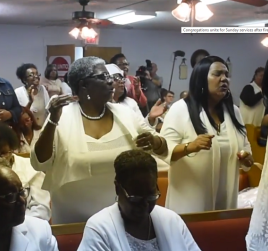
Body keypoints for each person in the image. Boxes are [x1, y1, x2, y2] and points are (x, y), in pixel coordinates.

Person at [31, 56, 171, 224]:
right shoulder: (62, 115)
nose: (111, 82)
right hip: (74, 218)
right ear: (83, 85)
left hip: (121, 217)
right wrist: (53, 121)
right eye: (103, 77)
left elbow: (163, 148)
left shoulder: (125, 114)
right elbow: (39, 162)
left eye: (110, 76)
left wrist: (155, 142)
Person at [160, 56, 254, 214]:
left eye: (226, 74)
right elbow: (163, 151)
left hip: (225, 202)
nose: (224, 79)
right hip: (189, 202)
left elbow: (247, 152)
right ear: (201, 79)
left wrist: (246, 158)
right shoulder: (181, 109)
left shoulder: (234, 112)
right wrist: (190, 147)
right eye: (217, 74)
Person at [78, 150, 200, 251]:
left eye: (151, 196)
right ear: (117, 188)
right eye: (136, 198)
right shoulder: (99, 228)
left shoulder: (171, 220)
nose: (145, 204)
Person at [108, 64, 169, 171]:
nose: (121, 81)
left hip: (134, 153)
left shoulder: (130, 103)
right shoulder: (99, 107)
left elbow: (141, 127)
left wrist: (150, 118)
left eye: (122, 78)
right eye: (116, 78)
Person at [246, 57, 268, 251]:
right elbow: (249, 100)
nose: (261, 78)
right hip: (252, 127)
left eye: (264, 75)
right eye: (259, 75)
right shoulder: (249, 88)